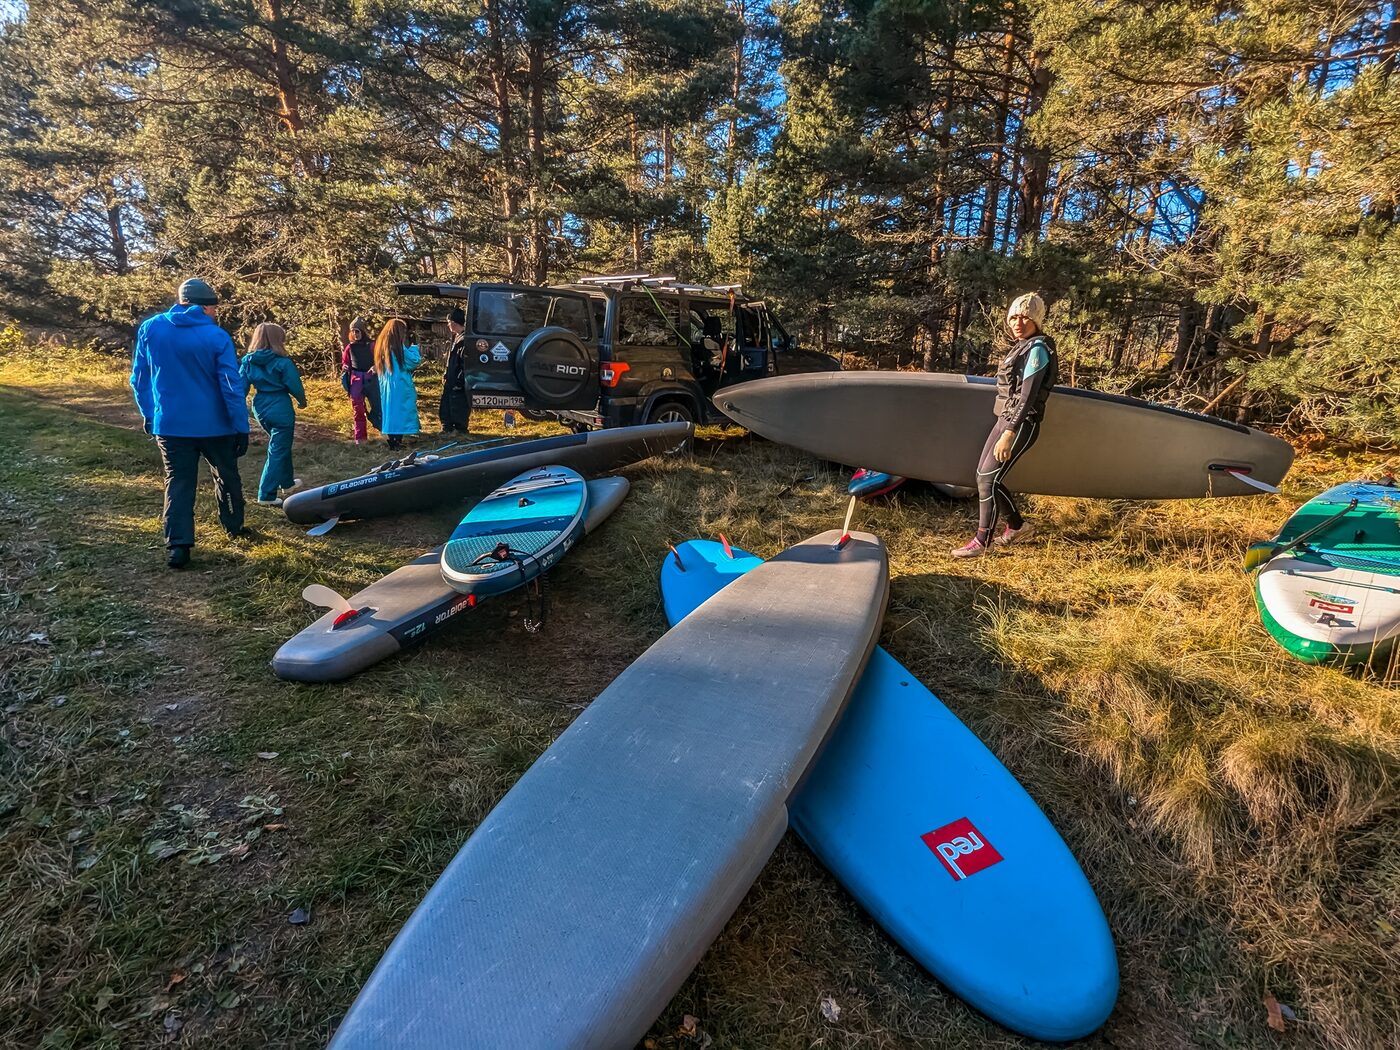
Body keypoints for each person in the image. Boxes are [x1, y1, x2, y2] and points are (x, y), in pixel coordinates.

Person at [130, 278, 251, 569]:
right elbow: (230, 384)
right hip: (216, 424)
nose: (216, 313)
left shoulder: (151, 328)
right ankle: (233, 525)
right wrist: (241, 425)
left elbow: (140, 378)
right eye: (214, 308)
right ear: (205, 307)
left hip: (170, 423)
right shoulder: (216, 336)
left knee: (178, 481)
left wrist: (149, 413)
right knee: (226, 475)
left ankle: (178, 545)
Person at [951, 292, 1059, 559]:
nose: (1018, 323)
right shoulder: (1022, 346)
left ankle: (982, 541)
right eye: (1013, 317)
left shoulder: (1037, 349)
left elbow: (1027, 396)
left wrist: (1009, 432)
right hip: (1006, 420)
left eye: (1025, 317)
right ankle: (1018, 526)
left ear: (1036, 320)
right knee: (984, 477)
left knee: (988, 479)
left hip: (1020, 423)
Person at [239, 322, 307, 507]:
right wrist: (302, 401)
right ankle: (266, 494)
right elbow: (294, 385)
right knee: (278, 448)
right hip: (280, 405)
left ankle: (287, 482)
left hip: (260, 406)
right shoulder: (283, 362)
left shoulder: (248, 361)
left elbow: (241, 388)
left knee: (280, 444)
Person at [374, 318, 422, 450]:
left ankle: (393, 440)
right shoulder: (398, 348)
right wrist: (414, 348)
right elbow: (413, 361)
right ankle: (397, 441)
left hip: (386, 384)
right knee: (401, 412)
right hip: (399, 384)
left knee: (391, 412)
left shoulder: (381, 347)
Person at [341, 317, 378, 444]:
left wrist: (376, 367)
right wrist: (345, 367)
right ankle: (360, 438)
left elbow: (381, 360)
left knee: (378, 406)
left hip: (372, 379)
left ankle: (385, 432)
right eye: (353, 331)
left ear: (363, 331)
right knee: (358, 410)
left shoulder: (373, 345)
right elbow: (345, 362)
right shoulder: (350, 347)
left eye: (357, 331)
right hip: (356, 380)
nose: (355, 334)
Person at [438, 306, 472, 434]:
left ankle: (459, 428)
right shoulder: (456, 338)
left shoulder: (464, 340)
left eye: (448, 322)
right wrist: (446, 374)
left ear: (453, 322)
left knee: (458, 404)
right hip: (451, 377)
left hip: (458, 379)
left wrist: (459, 380)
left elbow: (465, 363)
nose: (448, 325)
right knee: (446, 403)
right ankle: (446, 426)